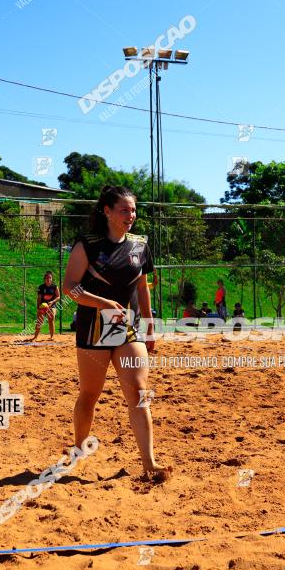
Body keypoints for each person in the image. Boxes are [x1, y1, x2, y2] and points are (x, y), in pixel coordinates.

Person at [62, 184, 171, 482]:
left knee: (138, 393)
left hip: (127, 328)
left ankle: (149, 463)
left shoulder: (139, 245)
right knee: (90, 394)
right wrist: (103, 302)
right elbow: (70, 287)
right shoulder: (87, 244)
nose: (131, 215)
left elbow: (142, 289)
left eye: (134, 209)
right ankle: (78, 448)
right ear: (107, 211)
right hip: (94, 327)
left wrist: (150, 329)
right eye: (124, 209)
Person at [31, 271, 60, 341]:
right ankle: (35, 337)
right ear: (44, 279)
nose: (48, 279)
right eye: (46, 278)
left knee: (51, 319)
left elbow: (58, 296)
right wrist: (38, 307)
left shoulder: (55, 287)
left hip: (52, 305)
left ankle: (52, 336)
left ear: (52, 278)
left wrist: (52, 301)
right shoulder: (41, 287)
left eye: (50, 278)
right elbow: (39, 298)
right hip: (43, 306)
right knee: (39, 321)